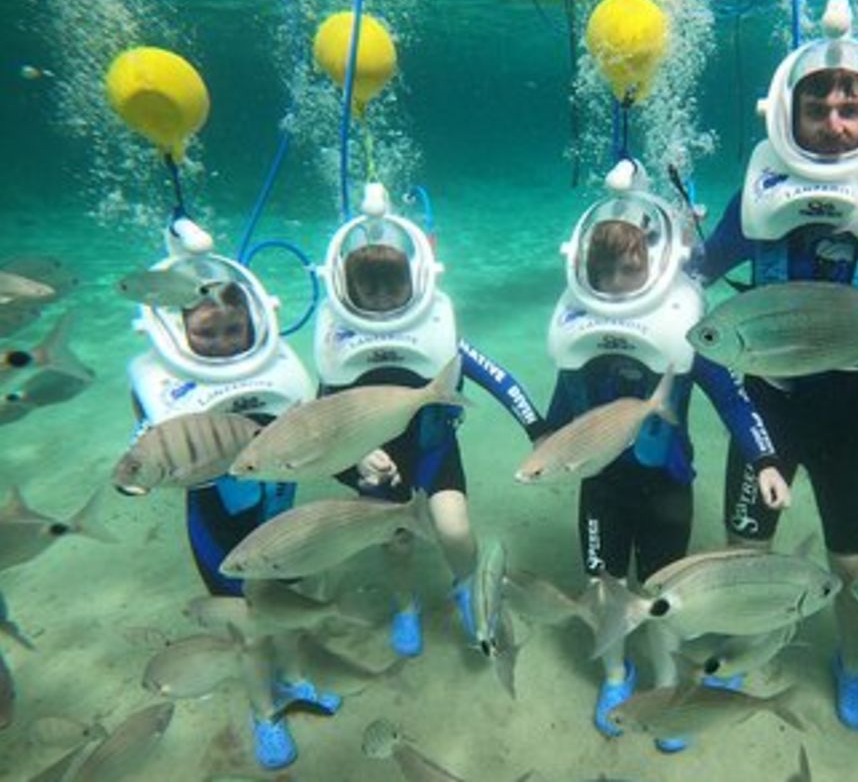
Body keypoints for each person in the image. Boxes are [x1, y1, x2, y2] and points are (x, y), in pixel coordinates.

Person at [695, 0, 858, 729]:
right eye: (818, 107)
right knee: (746, 549)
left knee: (854, 565)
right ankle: (752, 650)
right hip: (768, 407)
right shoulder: (754, 198)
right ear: (786, 115)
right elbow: (695, 294)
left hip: (848, 412)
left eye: (850, 105)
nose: (835, 124)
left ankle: (854, 658)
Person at [543, 161, 790, 753]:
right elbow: (559, 413)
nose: (619, 279)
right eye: (605, 269)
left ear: (654, 265)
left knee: (659, 595)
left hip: (666, 487)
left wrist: (766, 461)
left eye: (631, 267)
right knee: (603, 583)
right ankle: (613, 676)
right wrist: (546, 449)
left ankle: (665, 684)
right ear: (583, 267)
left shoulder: (682, 324)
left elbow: (733, 397)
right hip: (600, 486)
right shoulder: (578, 327)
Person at [314, 181, 548, 658]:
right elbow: (323, 421)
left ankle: (467, 588)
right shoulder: (336, 339)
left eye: (392, 285)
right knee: (395, 541)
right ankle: (405, 605)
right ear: (346, 287)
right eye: (369, 287)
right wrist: (357, 457)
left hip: (433, 447)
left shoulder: (436, 328)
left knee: (455, 528)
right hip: (376, 461)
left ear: (415, 280)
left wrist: (537, 429)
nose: (381, 298)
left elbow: (497, 378)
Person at [125, 220, 320, 770]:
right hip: (218, 531)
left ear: (254, 322)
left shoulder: (280, 368)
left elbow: (313, 431)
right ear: (176, 330)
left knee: (289, 608)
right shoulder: (158, 382)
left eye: (233, 329)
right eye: (205, 333)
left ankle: (300, 679)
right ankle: (265, 713)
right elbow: (145, 452)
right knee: (248, 631)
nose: (221, 342)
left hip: (281, 517)